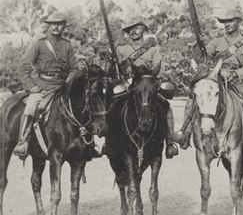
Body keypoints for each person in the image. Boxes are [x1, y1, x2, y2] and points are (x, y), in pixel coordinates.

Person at [14, 13, 101, 158]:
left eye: (60, 24)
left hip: (62, 87)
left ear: (64, 26)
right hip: (42, 87)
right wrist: (30, 86)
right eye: (53, 24)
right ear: (48, 25)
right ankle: (23, 142)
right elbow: (23, 67)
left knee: (84, 105)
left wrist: (68, 82)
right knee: (31, 107)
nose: (56, 27)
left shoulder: (67, 45)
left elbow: (73, 68)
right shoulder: (39, 43)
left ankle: (89, 144)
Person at [174, 9, 243, 150]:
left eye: (231, 21)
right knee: (193, 97)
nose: (227, 24)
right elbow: (204, 58)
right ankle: (185, 131)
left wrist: (233, 74)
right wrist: (199, 46)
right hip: (216, 78)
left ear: (238, 22)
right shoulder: (217, 41)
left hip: (236, 80)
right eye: (225, 22)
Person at [112, 20, 181, 159]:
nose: (133, 31)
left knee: (165, 105)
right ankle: (110, 141)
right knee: (113, 104)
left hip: (148, 81)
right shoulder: (121, 49)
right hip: (129, 82)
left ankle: (169, 141)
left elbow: (159, 67)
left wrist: (153, 78)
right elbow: (115, 69)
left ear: (143, 29)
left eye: (137, 28)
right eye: (130, 29)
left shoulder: (152, 48)